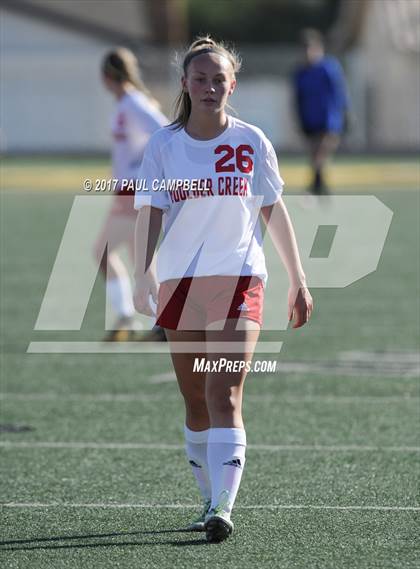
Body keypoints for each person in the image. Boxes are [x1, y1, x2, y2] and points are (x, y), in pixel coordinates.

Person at [133, 37, 313, 543]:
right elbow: (149, 212)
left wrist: (298, 278)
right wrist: (144, 271)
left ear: (232, 84)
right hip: (180, 284)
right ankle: (207, 498)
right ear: (186, 85)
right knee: (194, 399)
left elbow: (272, 210)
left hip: (238, 280)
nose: (210, 87)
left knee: (223, 391)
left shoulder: (252, 141)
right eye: (200, 79)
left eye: (219, 79)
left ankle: (223, 509)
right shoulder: (164, 146)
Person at [96, 47, 168, 341]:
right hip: (128, 191)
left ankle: (130, 316)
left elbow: (165, 131)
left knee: (102, 252)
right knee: (143, 260)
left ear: (106, 76)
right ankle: (161, 322)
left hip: (134, 192)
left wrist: (142, 169)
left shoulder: (134, 103)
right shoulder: (126, 102)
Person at [293, 29, 350, 195]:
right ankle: (319, 185)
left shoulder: (329, 68)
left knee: (321, 151)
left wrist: (346, 113)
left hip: (329, 119)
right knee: (315, 154)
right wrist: (299, 118)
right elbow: (297, 98)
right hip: (310, 119)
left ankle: (315, 185)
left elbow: (340, 92)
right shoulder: (300, 72)